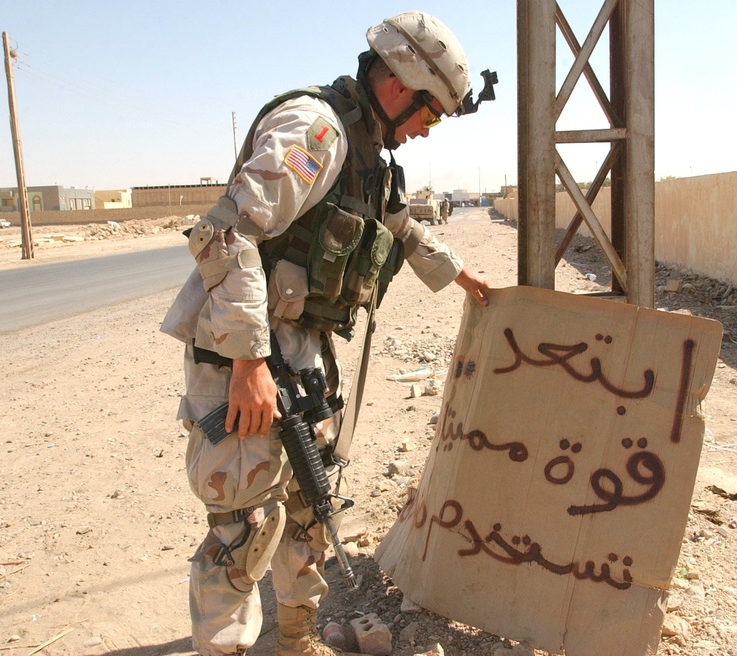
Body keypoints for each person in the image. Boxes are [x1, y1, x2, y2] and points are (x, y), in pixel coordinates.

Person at [160, 11, 494, 656]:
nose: (427, 132)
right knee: (243, 524)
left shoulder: (369, 153)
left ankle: (294, 641)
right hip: (245, 351)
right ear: (401, 86)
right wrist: (248, 364)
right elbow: (227, 234)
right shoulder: (315, 131)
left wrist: (463, 279)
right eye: (430, 115)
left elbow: (398, 225)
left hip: (303, 354)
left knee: (307, 512)